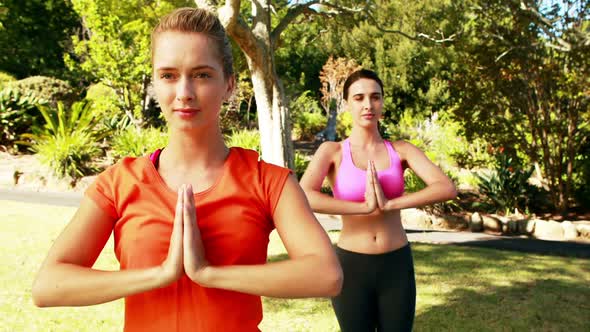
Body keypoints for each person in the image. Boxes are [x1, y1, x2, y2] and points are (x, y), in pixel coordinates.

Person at [32, 7, 342, 332]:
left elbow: (326, 275)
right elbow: (48, 285)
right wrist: (162, 273)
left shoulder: (268, 181)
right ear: (155, 82)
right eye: (168, 75)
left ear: (229, 85)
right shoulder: (119, 183)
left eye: (202, 75)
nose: (184, 93)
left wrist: (208, 273)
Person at [300, 69, 457, 332]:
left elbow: (445, 187)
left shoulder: (401, 150)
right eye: (359, 97)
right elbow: (304, 195)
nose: (368, 104)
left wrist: (390, 204)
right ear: (347, 103)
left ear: (382, 101)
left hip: (396, 264)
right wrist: (362, 208)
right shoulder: (333, 151)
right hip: (351, 265)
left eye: (375, 97)